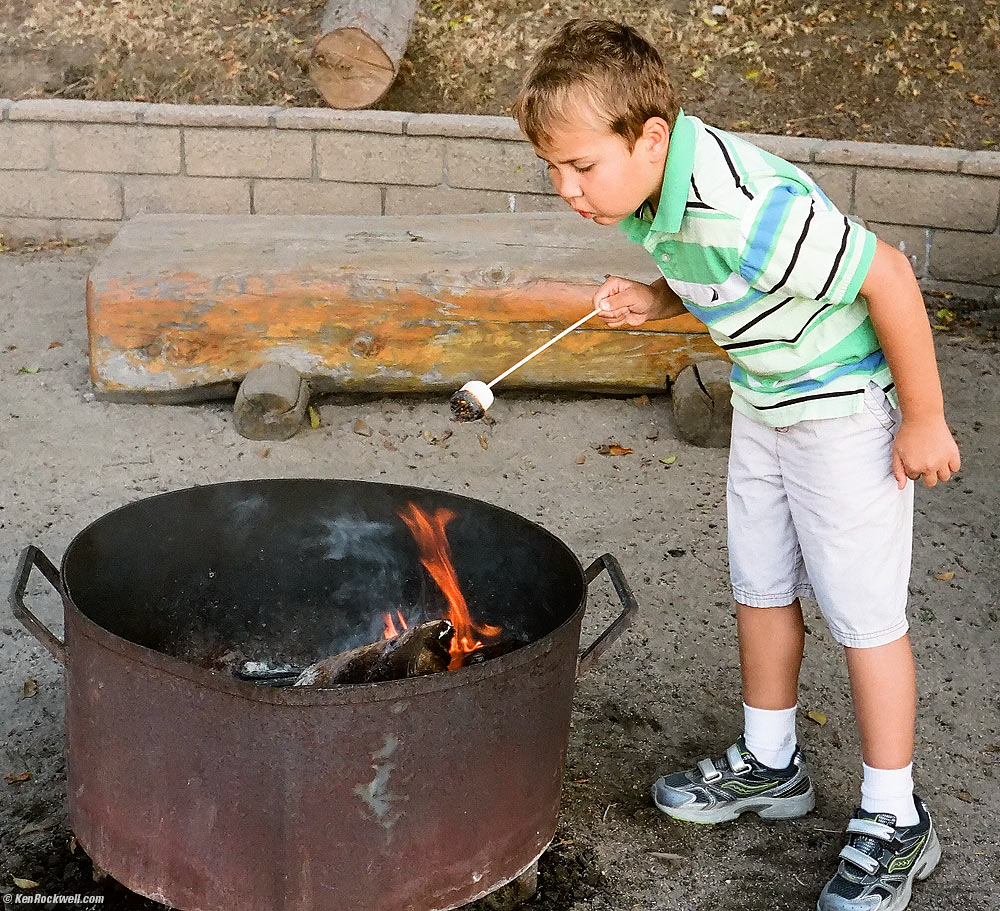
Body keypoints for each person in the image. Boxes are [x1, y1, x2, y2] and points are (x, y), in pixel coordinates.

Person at [512, 17, 961, 911]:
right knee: (760, 585)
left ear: (648, 137)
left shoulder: (748, 204)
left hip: (841, 413)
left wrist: (925, 418)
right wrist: (651, 294)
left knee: (864, 615)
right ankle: (770, 760)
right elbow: (709, 269)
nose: (566, 189)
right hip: (765, 401)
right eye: (551, 168)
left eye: (580, 167)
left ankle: (895, 815)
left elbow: (891, 279)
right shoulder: (651, 194)